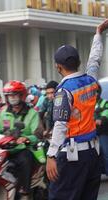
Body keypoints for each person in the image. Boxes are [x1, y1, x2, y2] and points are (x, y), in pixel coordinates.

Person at [46, 19, 108, 200]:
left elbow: (60, 125)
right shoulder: (90, 80)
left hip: (72, 157)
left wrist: (51, 155)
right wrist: (98, 33)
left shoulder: (64, 91)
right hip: (92, 154)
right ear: (79, 62)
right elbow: (95, 58)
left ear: (58, 66)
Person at [0, 80, 42, 197]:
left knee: (25, 159)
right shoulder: (3, 113)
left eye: (14, 95)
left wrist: (26, 138)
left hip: (23, 149)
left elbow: (38, 135)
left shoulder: (32, 113)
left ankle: (24, 191)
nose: (12, 98)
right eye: (9, 95)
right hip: (4, 149)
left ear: (22, 95)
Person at [95, 86, 108, 176]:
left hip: (103, 132)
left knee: (105, 153)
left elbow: (104, 118)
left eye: (94, 92)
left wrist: (97, 120)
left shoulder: (104, 102)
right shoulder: (88, 104)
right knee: (95, 155)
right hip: (92, 133)